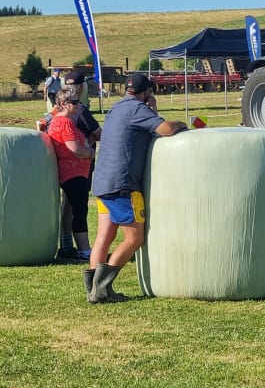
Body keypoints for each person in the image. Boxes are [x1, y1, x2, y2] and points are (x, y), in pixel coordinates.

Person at [87, 73, 188, 304]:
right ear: (147, 92)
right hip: (123, 184)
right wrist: (179, 123)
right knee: (134, 238)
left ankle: (91, 287)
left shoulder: (116, 108)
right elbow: (164, 129)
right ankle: (101, 289)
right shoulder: (137, 109)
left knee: (104, 236)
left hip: (102, 181)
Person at [47, 88, 96, 268]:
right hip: (74, 172)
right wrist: (90, 152)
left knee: (69, 209)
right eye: (74, 102)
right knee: (79, 211)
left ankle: (67, 246)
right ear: (63, 104)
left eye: (78, 102)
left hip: (69, 172)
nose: (78, 105)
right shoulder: (65, 123)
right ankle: (84, 250)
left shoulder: (56, 121)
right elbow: (74, 148)